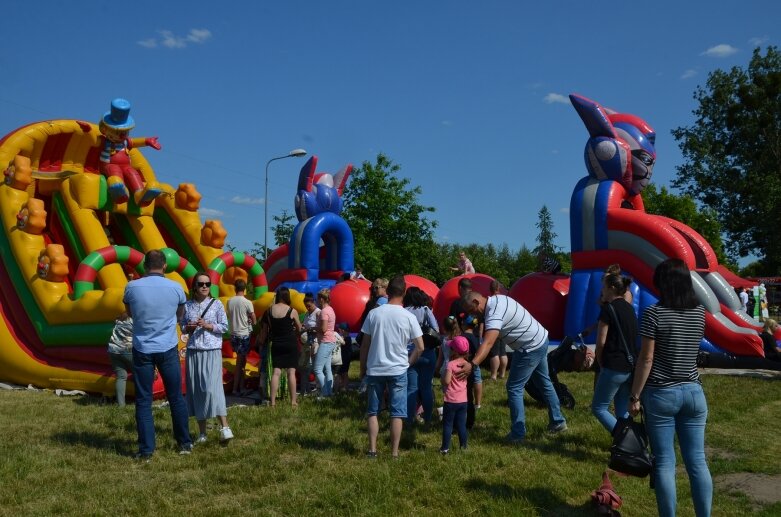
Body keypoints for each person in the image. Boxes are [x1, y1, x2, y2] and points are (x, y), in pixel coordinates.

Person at [629, 258, 712, 517]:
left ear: (663, 283)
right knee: (697, 461)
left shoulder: (654, 313)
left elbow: (647, 358)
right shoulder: (699, 312)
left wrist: (634, 395)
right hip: (694, 392)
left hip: (661, 393)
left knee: (665, 462)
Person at [461, 292, 567, 443]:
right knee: (544, 382)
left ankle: (518, 434)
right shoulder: (497, 298)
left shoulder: (493, 313)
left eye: (471, 310)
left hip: (529, 347)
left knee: (514, 387)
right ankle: (558, 421)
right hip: (540, 338)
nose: (473, 315)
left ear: (477, 302)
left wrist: (472, 364)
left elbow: (488, 343)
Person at [123, 249, 191, 460]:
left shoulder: (132, 287)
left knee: (143, 400)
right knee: (176, 398)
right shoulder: (176, 288)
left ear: (144, 266)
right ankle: (184, 444)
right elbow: (180, 315)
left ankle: (146, 451)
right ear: (164, 266)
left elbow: (131, 313)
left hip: (142, 348)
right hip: (168, 347)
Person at [360, 276, 424, 458]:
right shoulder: (409, 316)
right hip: (398, 370)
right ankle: (394, 452)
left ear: (387, 292)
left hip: (375, 368)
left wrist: (363, 367)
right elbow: (420, 347)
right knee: (397, 412)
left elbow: (365, 345)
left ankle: (372, 450)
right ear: (404, 293)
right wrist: (408, 363)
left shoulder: (374, 313)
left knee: (373, 411)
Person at [181, 272, 233, 444]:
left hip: (211, 349)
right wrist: (188, 327)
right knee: (197, 390)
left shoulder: (216, 304)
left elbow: (224, 327)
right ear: (194, 286)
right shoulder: (187, 306)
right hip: (194, 350)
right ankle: (202, 432)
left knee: (213, 388)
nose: (204, 286)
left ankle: (224, 427)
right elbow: (182, 327)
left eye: (207, 283)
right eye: (201, 283)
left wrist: (208, 325)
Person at [591, 270, 637, 434]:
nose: (602, 290)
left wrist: (600, 361)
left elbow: (601, 341)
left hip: (613, 365)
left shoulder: (608, 310)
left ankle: (624, 439)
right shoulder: (630, 309)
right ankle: (631, 439)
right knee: (622, 410)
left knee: (599, 408)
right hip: (629, 366)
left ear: (611, 288)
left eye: (603, 287)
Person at [403, 287, 439, 428]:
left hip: (410, 353)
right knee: (426, 388)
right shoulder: (425, 310)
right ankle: (428, 418)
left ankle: (409, 419)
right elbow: (435, 330)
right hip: (427, 352)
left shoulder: (404, 312)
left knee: (411, 388)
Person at [263, 286, 302, 407]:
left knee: (276, 372)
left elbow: (265, 330)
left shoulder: (268, 311)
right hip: (290, 343)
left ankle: (273, 402)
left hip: (276, 343)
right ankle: (293, 401)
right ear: (287, 296)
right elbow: (299, 328)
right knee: (291, 372)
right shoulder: (292, 310)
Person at [440, 335, 470, 454]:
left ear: (454, 351)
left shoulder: (451, 364)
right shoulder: (466, 365)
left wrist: (442, 379)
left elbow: (447, 381)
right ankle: (464, 446)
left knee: (448, 425)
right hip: (463, 400)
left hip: (451, 400)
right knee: (461, 425)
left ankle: (445, 448)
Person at [227, 279, 257, 396]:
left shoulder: (230, 301)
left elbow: (231, 315)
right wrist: (252, 321)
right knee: (240, 363)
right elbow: (253, 318)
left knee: (242, 360)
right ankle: (237, 389)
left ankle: (241, 386)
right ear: (244, 289)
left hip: (233, 334)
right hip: (243, 334)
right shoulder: (247, 302)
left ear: (235, 288)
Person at [313, 288, 337, 398]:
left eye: (317, 299)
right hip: (331, 340)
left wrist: (312, 328)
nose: (316, 301)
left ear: (321, 299)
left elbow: (323, 329)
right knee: (327, 369)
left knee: (317, 369)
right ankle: (329, 392)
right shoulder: (331, 309)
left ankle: (325, 393)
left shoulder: (324, 311)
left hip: (326, 341)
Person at [107, 312, 134, 407]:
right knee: (140, 373)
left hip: (113, 350)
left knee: (121, 377)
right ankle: (143, 401)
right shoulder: (134, 321)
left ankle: (121, 405)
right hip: (128, 350)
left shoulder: (119, 321)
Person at [298, 293, 320, 396]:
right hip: (306, 344)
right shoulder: (307, 314)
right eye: (306, 306)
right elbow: (305, 325)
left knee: (315, 367)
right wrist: (303, 327)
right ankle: (306, 390)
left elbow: (321, 328)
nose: (308, 307)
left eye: (309, 305)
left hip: (315, 344)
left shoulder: (318, 313)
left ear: (313, 302)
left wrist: (309, 329)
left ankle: (318, 388)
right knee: (304, 367)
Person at [335, 322, 353, 392]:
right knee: (342, 372)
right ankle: (342, 385)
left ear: (342, 330)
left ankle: (345, 387)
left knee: (344, 373)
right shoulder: (346, 337)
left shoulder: (347, 338)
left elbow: (342, 343)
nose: (338, 330)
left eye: (339, 329)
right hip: (344, 357)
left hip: (345, 358)